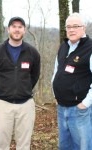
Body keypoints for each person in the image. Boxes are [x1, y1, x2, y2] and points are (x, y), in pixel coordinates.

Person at [0, 16, 40, 150]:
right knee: (2, 145)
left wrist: (23, 89)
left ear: (24, 30)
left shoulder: (32, 53)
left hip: (26, 105)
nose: (17, 30)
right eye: (14, 27)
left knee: (24, 145)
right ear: (8, 29)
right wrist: (2, 89)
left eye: (20, 27)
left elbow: (35, 76)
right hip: (2, 105)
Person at [52, 12, 92, 150]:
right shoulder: (63, 47)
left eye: (75, 26)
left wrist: (85, 103)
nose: (71, 29)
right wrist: (55, 95)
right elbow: (56, 72)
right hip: (61, 108)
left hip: (79, 110)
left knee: (83, 146)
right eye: (68, 27)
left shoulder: (90, 48)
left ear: (84, 28)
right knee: (65, 146)